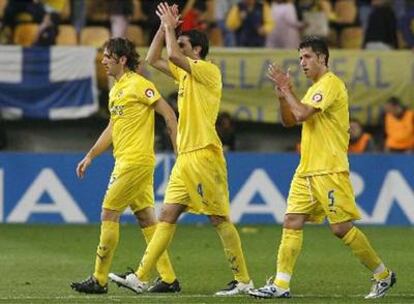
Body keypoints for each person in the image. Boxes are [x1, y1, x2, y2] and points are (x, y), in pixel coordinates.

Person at [108, 2, 253, 296]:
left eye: (185, 43)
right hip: (186, 156)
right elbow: (152, 58)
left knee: (219, 218)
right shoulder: (186, 75)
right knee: (167, 215)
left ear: (197, 51)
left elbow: (172, 54)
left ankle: (243, 280)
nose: (180, 46)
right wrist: (165, 29)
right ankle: (140, 276)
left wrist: (172, 29)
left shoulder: (208, 71)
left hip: (204, 154)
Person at [249, 36, 396, 299]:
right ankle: (281, 285)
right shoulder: (312, 90)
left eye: (306, 57)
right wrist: (283, 97)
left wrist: (289, 90)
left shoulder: (330, 84)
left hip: (329, 168)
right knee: (291, 220)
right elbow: (289, 120)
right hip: (306, 169)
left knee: (340, 228)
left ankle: (383, 276)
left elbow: (303, 114)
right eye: (300, 58)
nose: (302, 63)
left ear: (322, 58)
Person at [70, 37, 180, 294]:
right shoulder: (116, 89)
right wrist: (90, 155)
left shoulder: (140, 85)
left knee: (109, 213)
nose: (103, 60)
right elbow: (112, 128)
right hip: (128, 161)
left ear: (122, 59)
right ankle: (168, 278)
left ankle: (98, 279)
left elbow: (169, 113)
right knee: (146, 219)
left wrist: (177, 150)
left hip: (135, 162)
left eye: (108, 56)